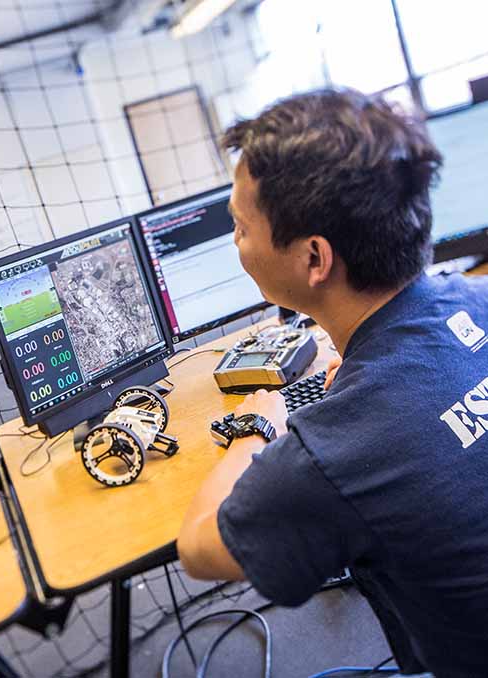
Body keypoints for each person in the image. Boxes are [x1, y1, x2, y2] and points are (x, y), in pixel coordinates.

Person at [176, 88, 488, 677]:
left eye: (240, 227)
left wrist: (255, 428)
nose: (236, 242)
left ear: (315, 259)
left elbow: (197, 547)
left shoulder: (337, 452)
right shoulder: (481, 297)